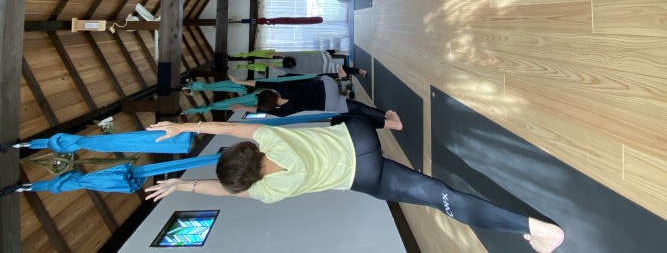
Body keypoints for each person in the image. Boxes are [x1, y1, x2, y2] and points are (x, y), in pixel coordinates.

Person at [145, 117, 564, 253]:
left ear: (246, 181)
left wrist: (183, 188)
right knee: (347, 117)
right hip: (359, 135)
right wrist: (183, 125)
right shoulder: (267, 138)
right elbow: (227, 126)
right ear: (244, 152)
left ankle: (535, 229)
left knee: (442, 199)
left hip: (365, 175)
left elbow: (224, 191)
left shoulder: (268, 192)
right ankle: (387, 117)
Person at [227, 72, 390, 125]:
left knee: (357, 109)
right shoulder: (282, 88)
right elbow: (259, 83)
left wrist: (243, 107)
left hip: (329, 103)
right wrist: (241, 82)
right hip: (328, 86)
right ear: (272, 93)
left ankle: (385, 118)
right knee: (318, 77)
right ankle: (341, 76)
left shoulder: (283, 112)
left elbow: (258, 109)